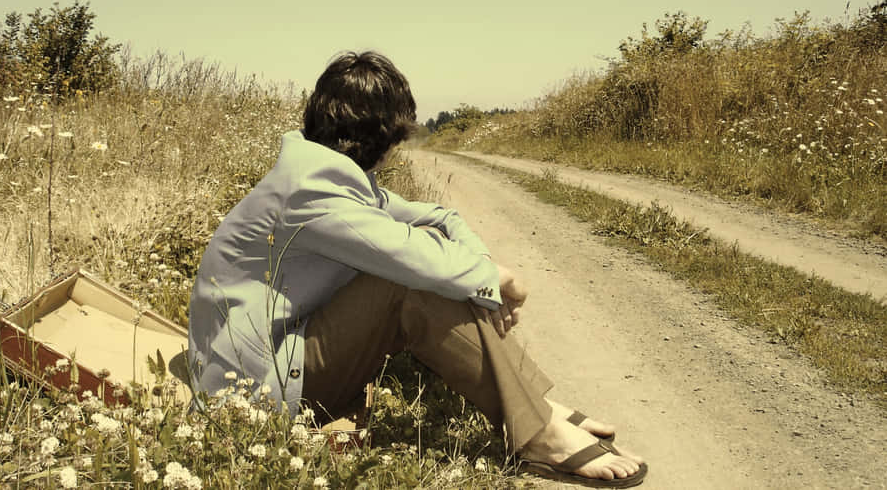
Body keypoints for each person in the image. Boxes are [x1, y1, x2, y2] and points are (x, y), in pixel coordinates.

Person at [188, 51, 648, 487]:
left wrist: (484, 268)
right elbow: (419, 261)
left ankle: (535, 406)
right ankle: (538, 433)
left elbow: (440, 219)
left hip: (283, 353)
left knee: (443, 268)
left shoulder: (325, 176)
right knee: (409, 284)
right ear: (385, 139)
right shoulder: (313, 190)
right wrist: (497, 280)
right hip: (254, 392)